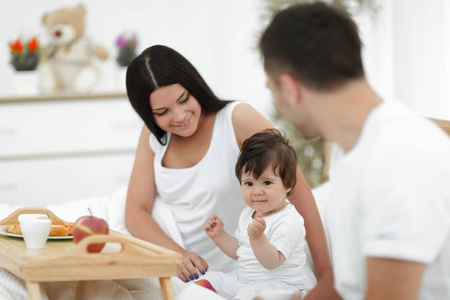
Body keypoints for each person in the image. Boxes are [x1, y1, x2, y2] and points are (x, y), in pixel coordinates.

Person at [260, 2, 450, 299]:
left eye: (270, 89)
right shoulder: (351, 149)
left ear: (290, 88)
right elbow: (352, 276)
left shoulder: (400, 157)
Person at [124, 45, 332, 285]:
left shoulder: (236, 120)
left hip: (254, 267)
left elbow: (298, 189)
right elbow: (135, 211)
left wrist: (326, 274)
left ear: (195, 87)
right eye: (162, 112)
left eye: (184, 99)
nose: (179, 116)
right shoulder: (153, 137)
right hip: (193, 274)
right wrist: (177, 255)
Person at [202, 129, 307, 299]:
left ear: (288, 184)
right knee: (207, 280)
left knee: (248, 295)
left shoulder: (289, 220)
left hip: (280, 286)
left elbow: (272, 262)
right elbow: (239, 251)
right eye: (249, 183)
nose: (257, 191)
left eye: (266, 182)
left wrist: (258, 238)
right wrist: (219, 235)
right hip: (245, 282)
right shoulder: (248, 214)